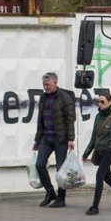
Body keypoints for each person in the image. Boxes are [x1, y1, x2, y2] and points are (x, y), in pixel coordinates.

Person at [33, 72, 76, 209]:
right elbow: (40, 120)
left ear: (55, 83)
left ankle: (61, 198)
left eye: (48, 84)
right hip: (46, 138)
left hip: (60, 139)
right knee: (39, 164)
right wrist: (37, 140)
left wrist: (70, 138)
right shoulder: (43, 98)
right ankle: (50, 192)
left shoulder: (64, 98)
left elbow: (70, 119)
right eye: (44, 85)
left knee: (60, 169)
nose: (45, 87)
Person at [81, 90, 111, 215]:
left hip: (110, 150)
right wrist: (86, 153)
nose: (100, 104)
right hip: (99, 152)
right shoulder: (98, 117)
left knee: (99, 175)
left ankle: (95, 207)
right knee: (109, 179)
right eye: (99, 102)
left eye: (103, 102)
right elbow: (93, 137)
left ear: (110, 103)